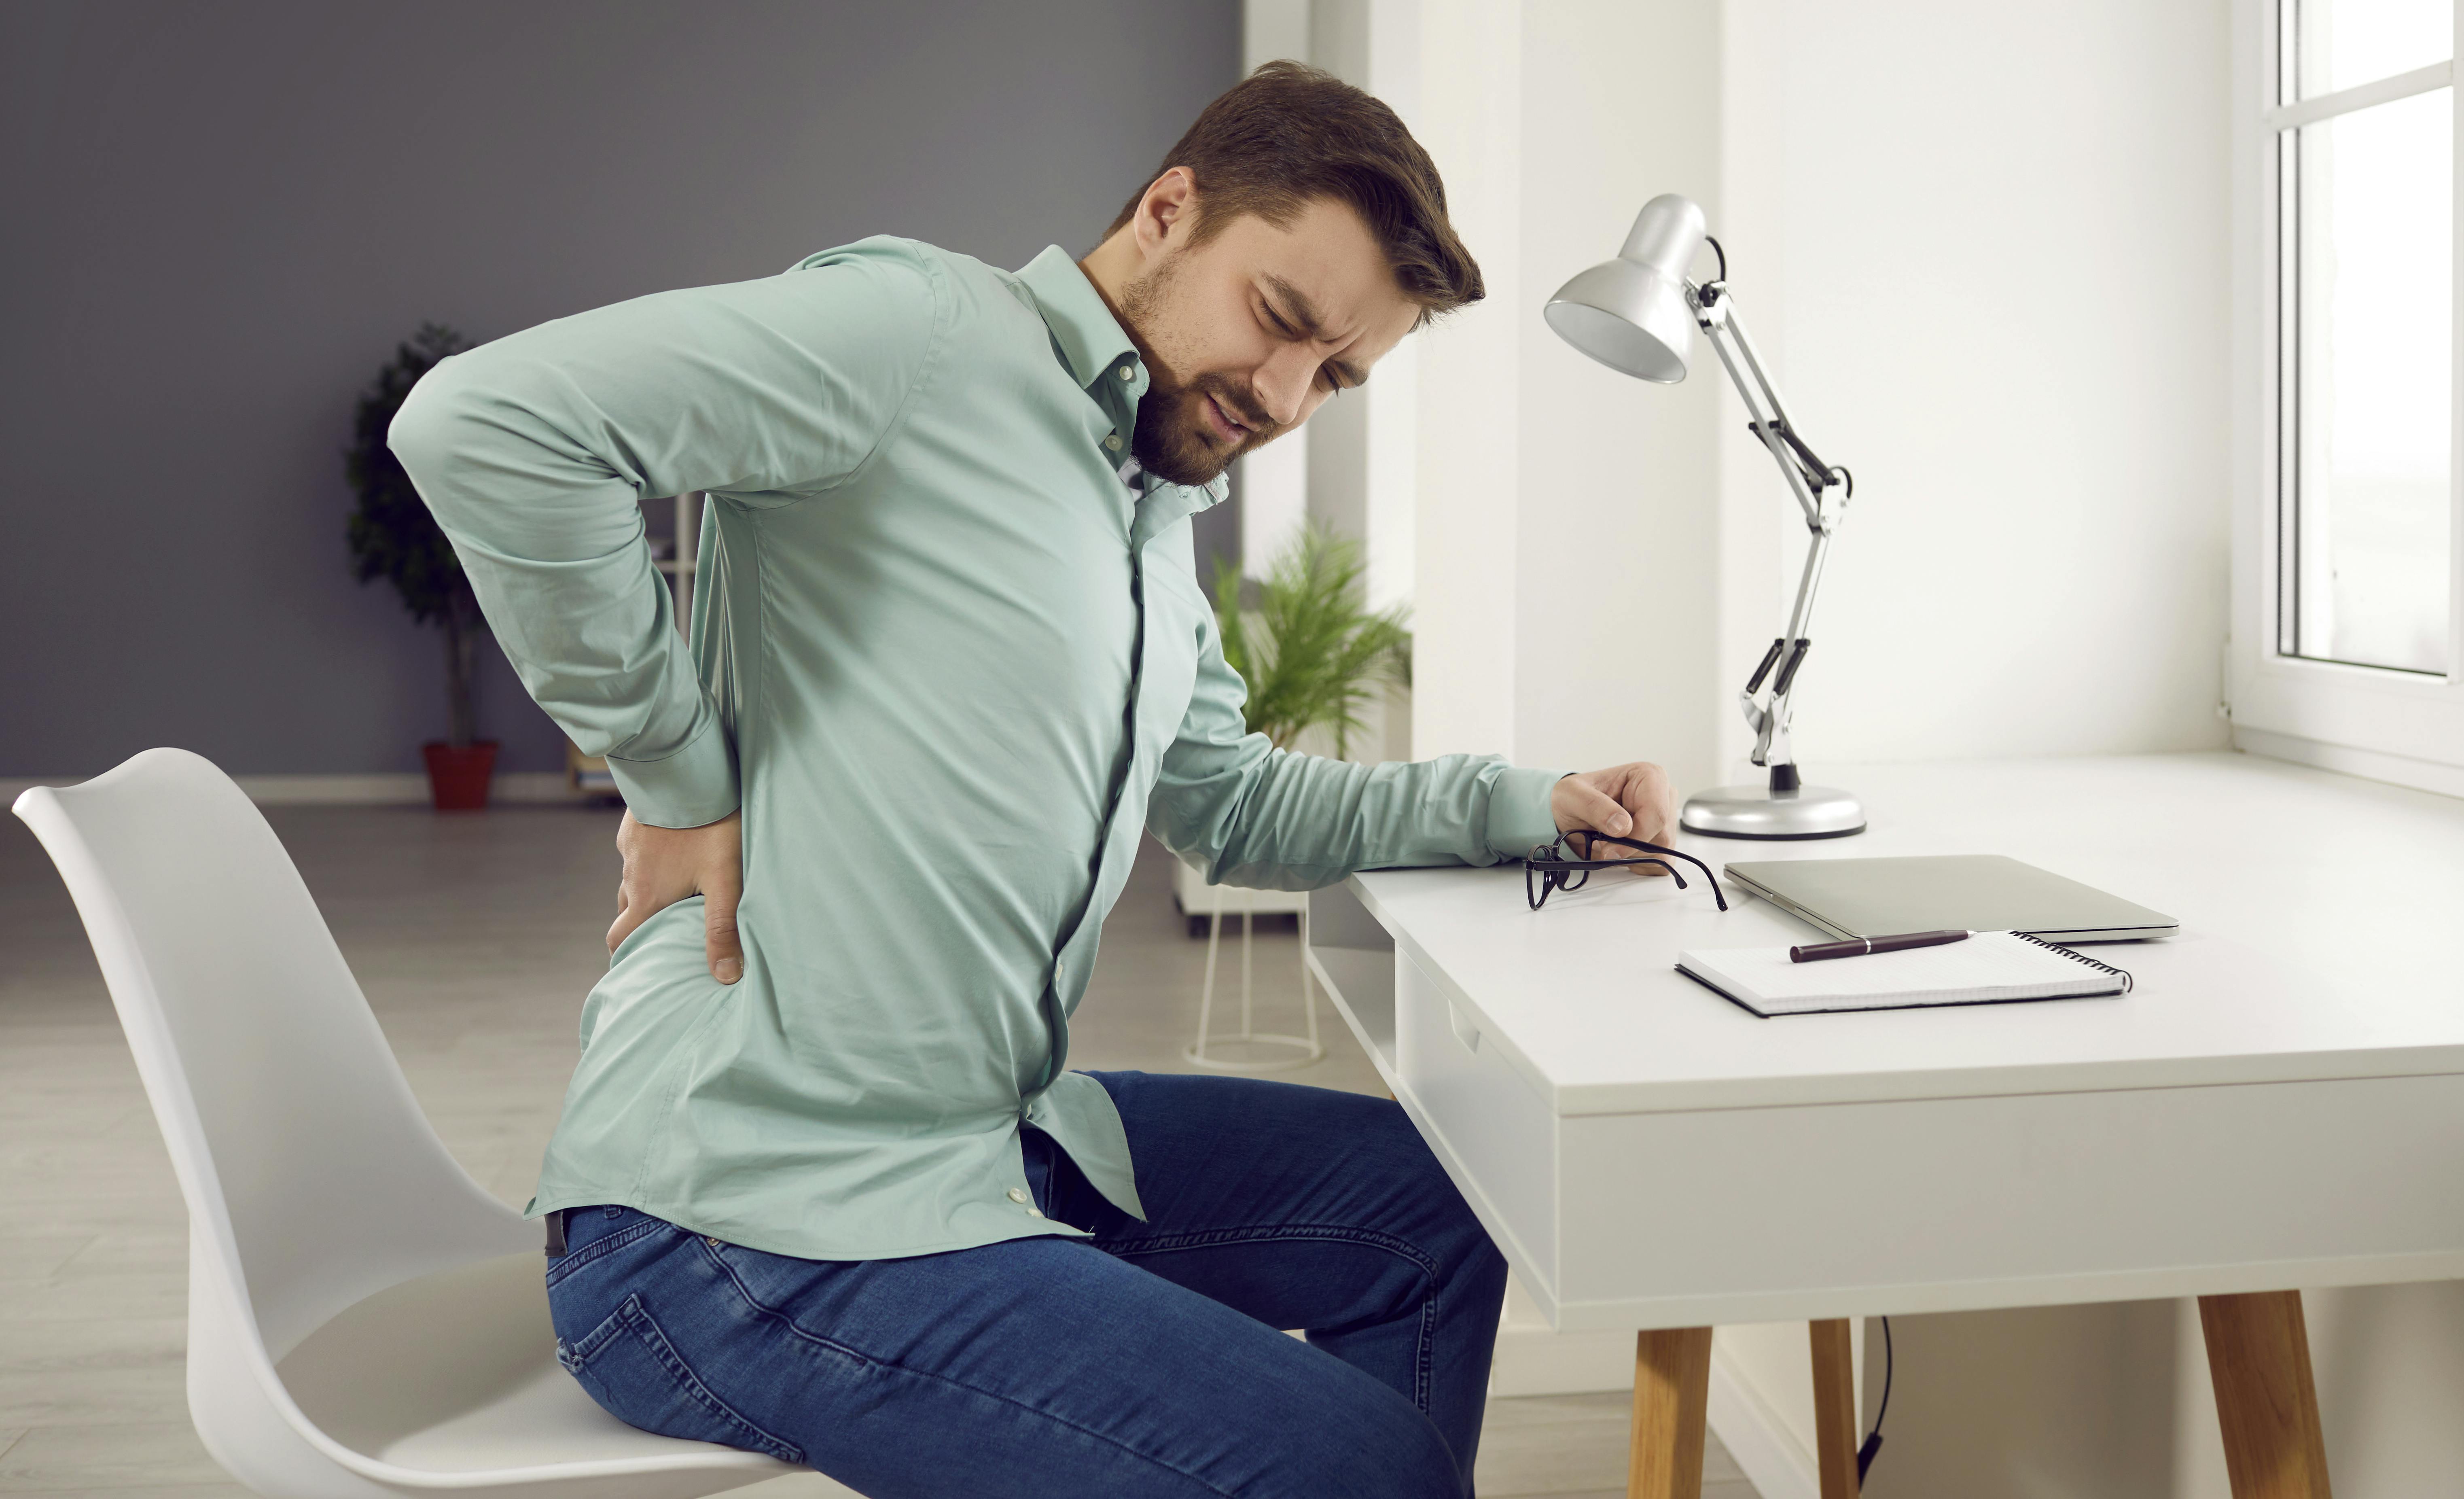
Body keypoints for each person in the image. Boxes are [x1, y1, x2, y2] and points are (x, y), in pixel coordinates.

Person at [390, 60, 1677, 1499]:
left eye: (1337, 376)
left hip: (974, 1150)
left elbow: (1228, 804)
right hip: (730, 1225)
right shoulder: (918, 334)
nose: (1282, 396)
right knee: (1355, 1464)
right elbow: (485, 423)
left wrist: (1523, 801)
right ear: (1170, 210)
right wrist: (675, 772)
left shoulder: (1144, 504)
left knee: (1435, 1207)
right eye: (1279, 320)